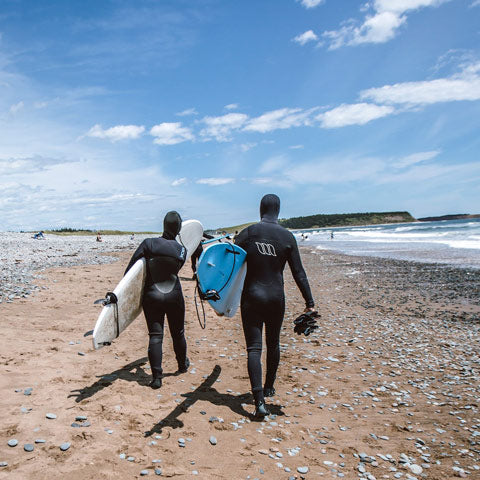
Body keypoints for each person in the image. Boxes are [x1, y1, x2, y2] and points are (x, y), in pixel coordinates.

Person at [235, 194, 315, 418]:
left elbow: (229, 263)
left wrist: (218, 295)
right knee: (273, 343)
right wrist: (309, 303)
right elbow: (299, 273)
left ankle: (259, 401)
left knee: (254, 348)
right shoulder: (287, 236)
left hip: (252, 297)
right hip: (276, 297)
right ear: (278, 210)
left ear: (260, 208)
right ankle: (269, 386)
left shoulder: (248, 233)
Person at [124, 211, 189, 389]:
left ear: (163, 225)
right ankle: (182, 365)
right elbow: (177, 267)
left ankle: (156, 377)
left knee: (155, 336)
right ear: (179, 228)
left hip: (152, 295)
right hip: (174, 295)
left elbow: (131, 271)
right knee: (178, 333)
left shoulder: (149, 243)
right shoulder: (182, 250)